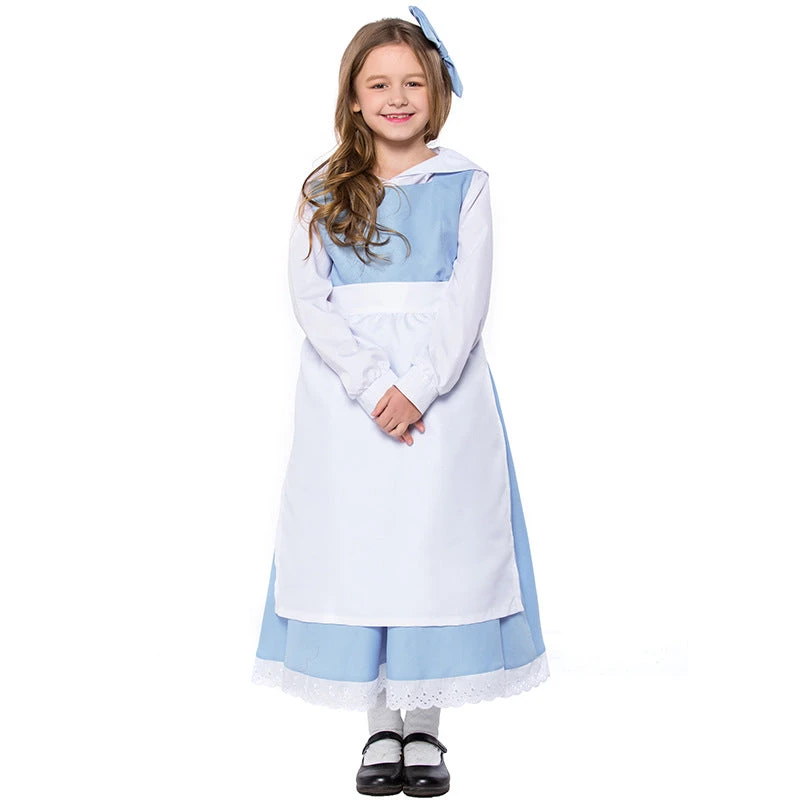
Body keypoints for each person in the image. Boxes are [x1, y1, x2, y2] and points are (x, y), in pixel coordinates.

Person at [252, 6, 549, 796]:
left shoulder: (466, 184)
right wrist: (372, 384)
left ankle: (426, 729)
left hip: (441, 401)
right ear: (353, 97)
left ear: (437, 92)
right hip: (347, 405)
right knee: (363, 551)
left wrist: (416, 387)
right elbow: (310, 299)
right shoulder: (322, 189)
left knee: (432, 552)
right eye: (378, 84)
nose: (396, 97)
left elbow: (466, 299)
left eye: (413, 82)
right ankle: (379, 724)